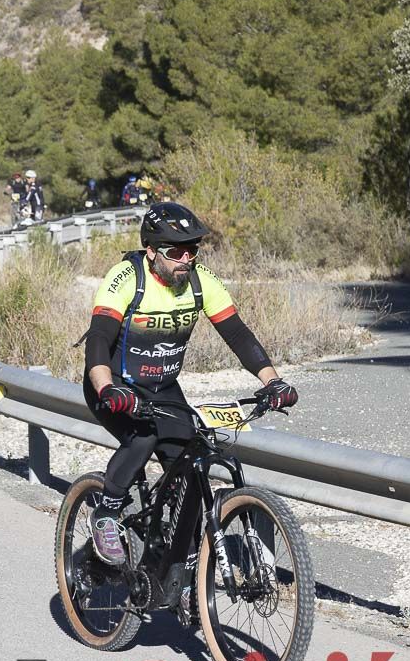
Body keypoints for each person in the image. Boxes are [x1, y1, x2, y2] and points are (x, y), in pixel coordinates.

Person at [81, 202, 298, 566]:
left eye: (192, 250)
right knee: (144, 436)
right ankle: (106, 513)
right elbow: (99, 338)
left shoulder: (201, 281)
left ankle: (177, 563)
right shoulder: (126, 278)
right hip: (116, 385)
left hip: (163, 387)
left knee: (191, 462)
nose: (185, 258)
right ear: (151, 251)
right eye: (175, 251)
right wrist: (107, 388)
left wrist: (273, 381)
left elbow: (237, 334)